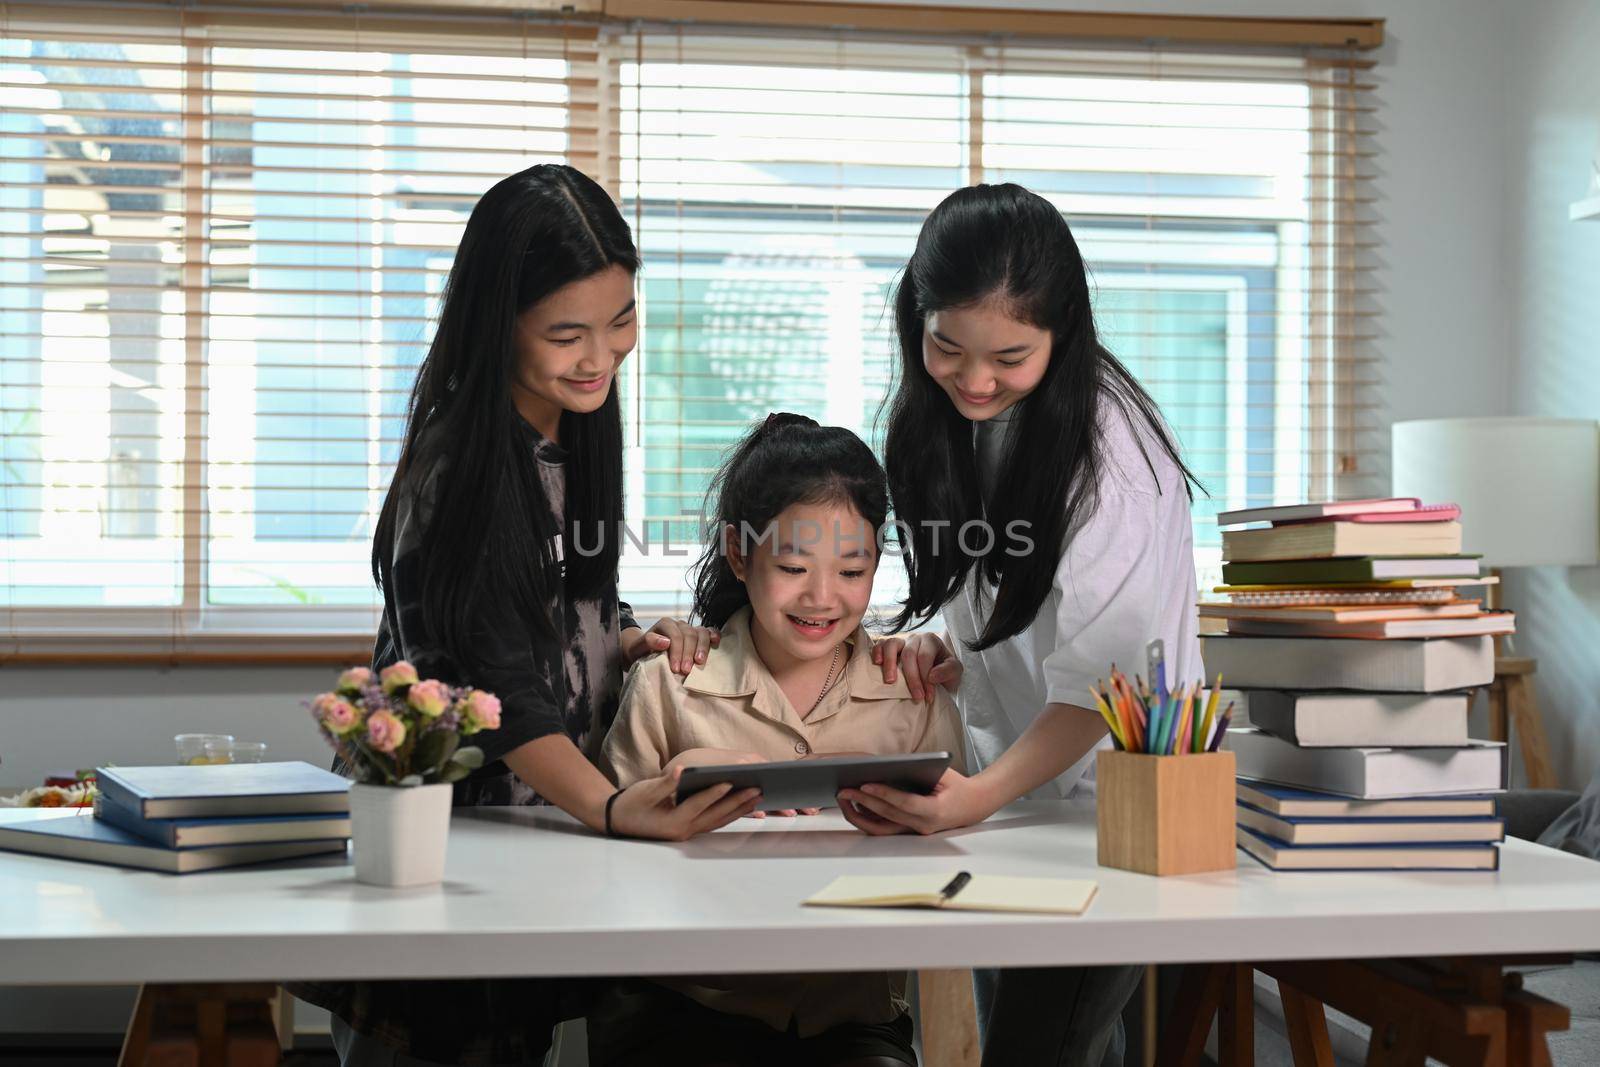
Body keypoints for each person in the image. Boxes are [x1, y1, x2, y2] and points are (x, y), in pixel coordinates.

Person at [292, 164, 760, 1067]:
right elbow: (496, 687)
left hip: (528, 846)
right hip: (448, 856)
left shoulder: (567, 426)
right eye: (567, 333)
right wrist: (618, 808)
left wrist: (626, 635)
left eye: (621, 319)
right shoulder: (458, 470)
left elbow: (558, 602)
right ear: (498, 322)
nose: (601, 355)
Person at [838, 183, 1204, 1067]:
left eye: (1008, 355)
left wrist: (977, 795)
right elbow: (1009, 595)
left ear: (1062, 334)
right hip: (1019, 789)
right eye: (946, 346)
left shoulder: (1112, 452)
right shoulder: (962, 418)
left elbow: (1102, 686)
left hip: (1113, 799)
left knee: (1041, 1043)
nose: (973, 378)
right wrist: (953, 649)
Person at [591, 413, 965, 1067]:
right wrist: (677, 786)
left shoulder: (912, 693)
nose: (822, 597)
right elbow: (603, 864)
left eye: (852, 571)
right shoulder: (669, 683)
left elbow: (957, 868)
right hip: (687, 1007)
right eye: (793, 565)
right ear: (740, 554)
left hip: (850, 1019)